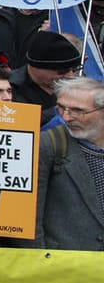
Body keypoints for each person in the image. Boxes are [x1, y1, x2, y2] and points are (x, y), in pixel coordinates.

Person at [35, 77, 104, 251]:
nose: (66, 117)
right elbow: (30, 215)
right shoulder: (49, 144)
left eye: (77, 111)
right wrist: (38, 260)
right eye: (61, 108)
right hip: (65, 265)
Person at [12, 31, 81, 110]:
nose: (71, 76)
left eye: (75, 69)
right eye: (62, 71)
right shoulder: (9, 89)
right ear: (36, 67)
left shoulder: (78, 86)